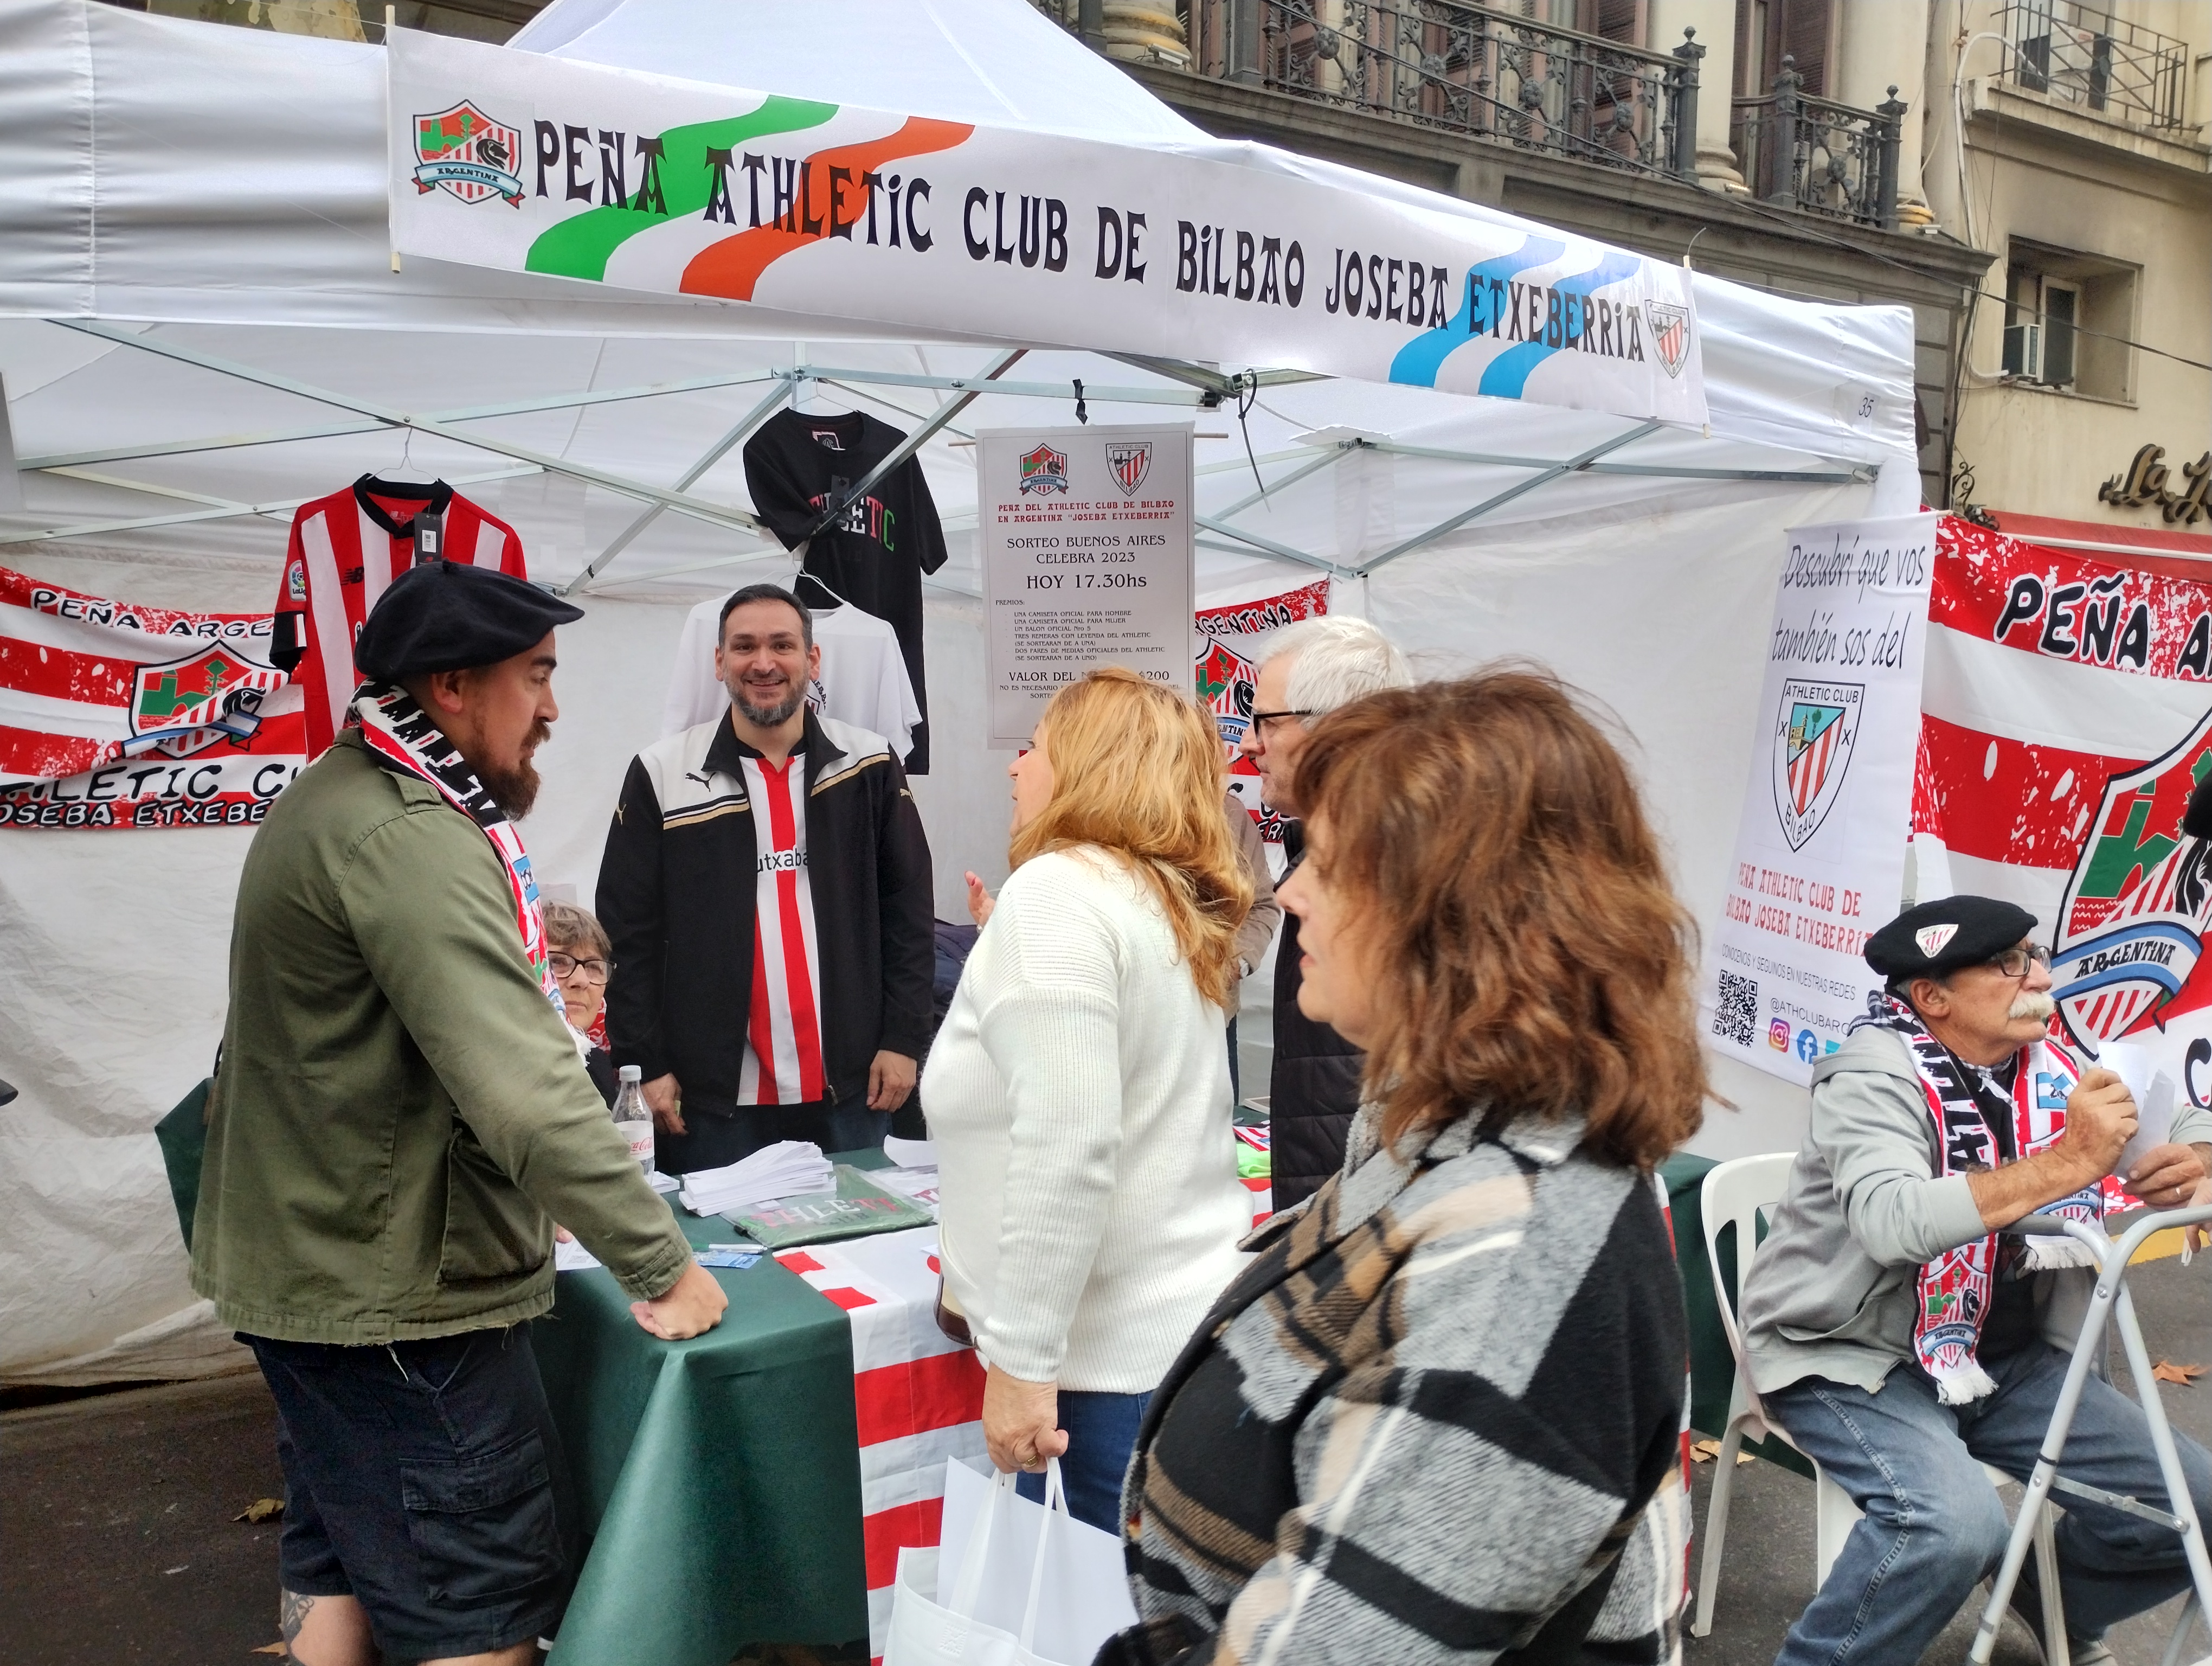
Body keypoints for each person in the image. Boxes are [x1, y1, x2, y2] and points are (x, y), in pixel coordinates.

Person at [1103, 670, 1699, 1665]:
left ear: (1455, 917)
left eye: (1326, 865)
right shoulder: (1445, 1122)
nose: (1287, 890)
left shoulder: (1520, 1253)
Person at [191, 560, 725, 1666]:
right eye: (534, 677)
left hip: (328, 1272)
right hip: (392, 1305)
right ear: (450, 687)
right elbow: (523, 1078)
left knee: (340, 1555)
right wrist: (663, 1266)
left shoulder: (351, 797)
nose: (552, 709)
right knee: (476, 1609)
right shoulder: (402, 834)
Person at [1741, 895, 2212, 1666]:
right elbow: (1892, 1221)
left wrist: (2196, 1163)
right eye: (2008, 964)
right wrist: (2069, 1161)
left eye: (2036, 955)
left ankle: (2039, 1592)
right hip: (1860, 1355)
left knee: (2199, 1498)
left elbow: (2182, 1117)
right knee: (1954, 1525)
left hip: (2005, 1361)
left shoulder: (2049, 1064)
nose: (2038, 975)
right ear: (1933, 998)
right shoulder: (1871, 1075)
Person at [924, 667, 1255, 1533]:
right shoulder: (1157, 899)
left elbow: (1070, 1146)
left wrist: (1025, 1364)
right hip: (1175, 1347)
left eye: (1035, 746)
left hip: (1101, 1380)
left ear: (1090, 764)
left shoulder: (1062, 893)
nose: (1014, 766)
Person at [597, 582, 936, 1174]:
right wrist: (645, 1063)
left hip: (854, 1087)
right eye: (744, 646)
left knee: (858, 1256)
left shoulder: (871, 764)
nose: (763, 663)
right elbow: (628, 933)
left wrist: (905, 1041)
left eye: (782, 645)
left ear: (813, 659)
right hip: (710, 1102)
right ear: (719, 661)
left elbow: (908, 912)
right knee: (726, 1264)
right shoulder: (661, 772)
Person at [1236, 614, 1411, 1209]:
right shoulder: (1334, 846)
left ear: (1336, 730)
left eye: (1265, 721)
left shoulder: (1393, 869)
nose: (1247, 743)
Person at [963, 788, 1278, 1101]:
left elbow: (1261, 904)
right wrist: (1001, 926)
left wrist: (1233, 962)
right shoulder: (1090, 815)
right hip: (1112, 1029)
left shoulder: (1228, 814)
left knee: (1215, 1139)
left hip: (1211, 1017)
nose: (1014, 769)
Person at [544, 899, 618, 1105]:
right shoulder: (499, 1065)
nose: (581, 981)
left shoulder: (598, 1066)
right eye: (557, 962)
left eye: (594, 967)